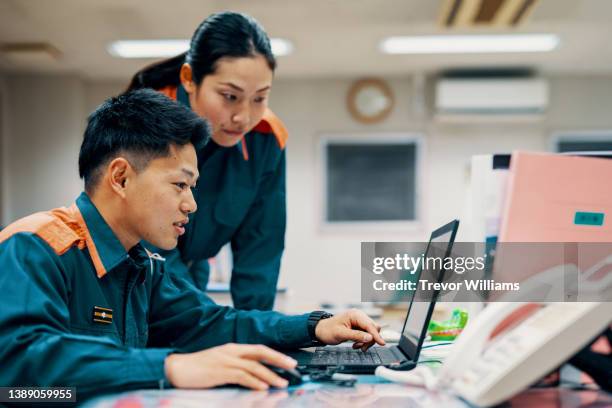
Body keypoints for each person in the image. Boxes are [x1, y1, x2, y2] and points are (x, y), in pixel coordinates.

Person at [0, 90, 385, 399]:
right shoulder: (35, 246)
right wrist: (170, 368)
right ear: (120, 177)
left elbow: (211, 324)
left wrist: (315, 327)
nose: (192, 204)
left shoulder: (142, 266)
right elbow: (16, 374)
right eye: (180, 185)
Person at [128, 11, 288, 310]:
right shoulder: (146, 122)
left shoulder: (267, 138)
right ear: (189, 79)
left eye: (259, 98)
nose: (244, 117)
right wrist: (209, 323)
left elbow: (261, 247)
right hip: (134, 272)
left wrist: (257, 335)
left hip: (192, 264)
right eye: (230, 96)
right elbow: (149, 243)